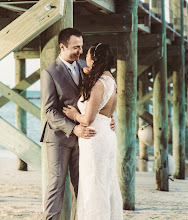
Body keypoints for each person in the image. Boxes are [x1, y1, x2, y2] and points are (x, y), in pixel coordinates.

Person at [40, 28, 114, 220]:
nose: (80, 51)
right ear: (62, 46)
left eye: (81, 47)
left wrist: (107, 119)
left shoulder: (87, 66)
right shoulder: (49, 72)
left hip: (86, 139)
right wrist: (73, 127)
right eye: (75, 47)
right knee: (56, 184)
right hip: (59, 137)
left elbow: (100, 98)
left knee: (83, 184)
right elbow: (49, 110)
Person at [63, 43, 123, 219]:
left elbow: (88, 119)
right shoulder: (111, 80)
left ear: (94, 59)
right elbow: (108, 112)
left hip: (94, 138)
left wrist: (74, 114)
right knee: (106, 181)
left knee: (94, 183)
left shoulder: (98, 84)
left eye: (88, 55)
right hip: (107, 135)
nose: (85, 58)